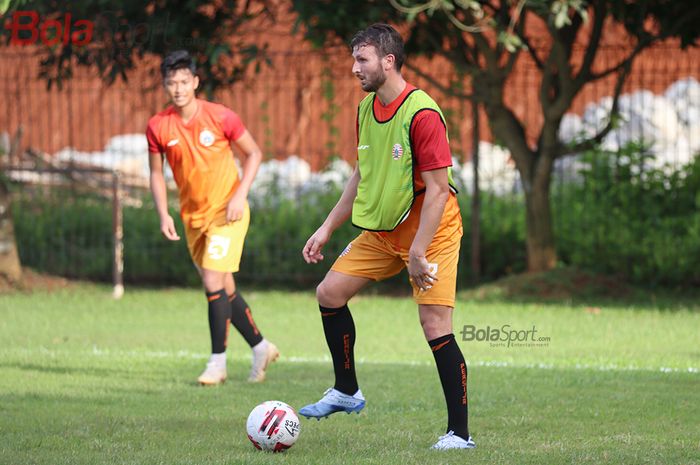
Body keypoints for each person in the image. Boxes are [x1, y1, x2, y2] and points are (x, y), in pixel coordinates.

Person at [299, 24, 475, 450]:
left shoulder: (422, 113)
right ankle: (346, 391)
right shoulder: (365, 109)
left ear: (388, 61)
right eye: (354, 59)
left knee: (434, 324)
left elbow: (436, 190)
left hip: (432, 233)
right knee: (329, 293)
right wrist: (326, 228)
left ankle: (460, 434)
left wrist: (418, 252)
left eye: (362, 59)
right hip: (384, 229)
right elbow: (361, 176)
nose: (354, 67)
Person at [146, 50, 279, 386]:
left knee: (211, 283)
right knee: (224, 289)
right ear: (165, 85)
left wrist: (240, 194)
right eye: (171, 83)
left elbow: (254, 153)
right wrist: (163, 213)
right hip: (193, 218)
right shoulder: (158, 126)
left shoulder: (220, 116)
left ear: (195, 82)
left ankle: (217, 364)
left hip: (228, 213)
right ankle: (261, 347)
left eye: (183, 82)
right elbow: (156, 175)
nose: (177, 89)